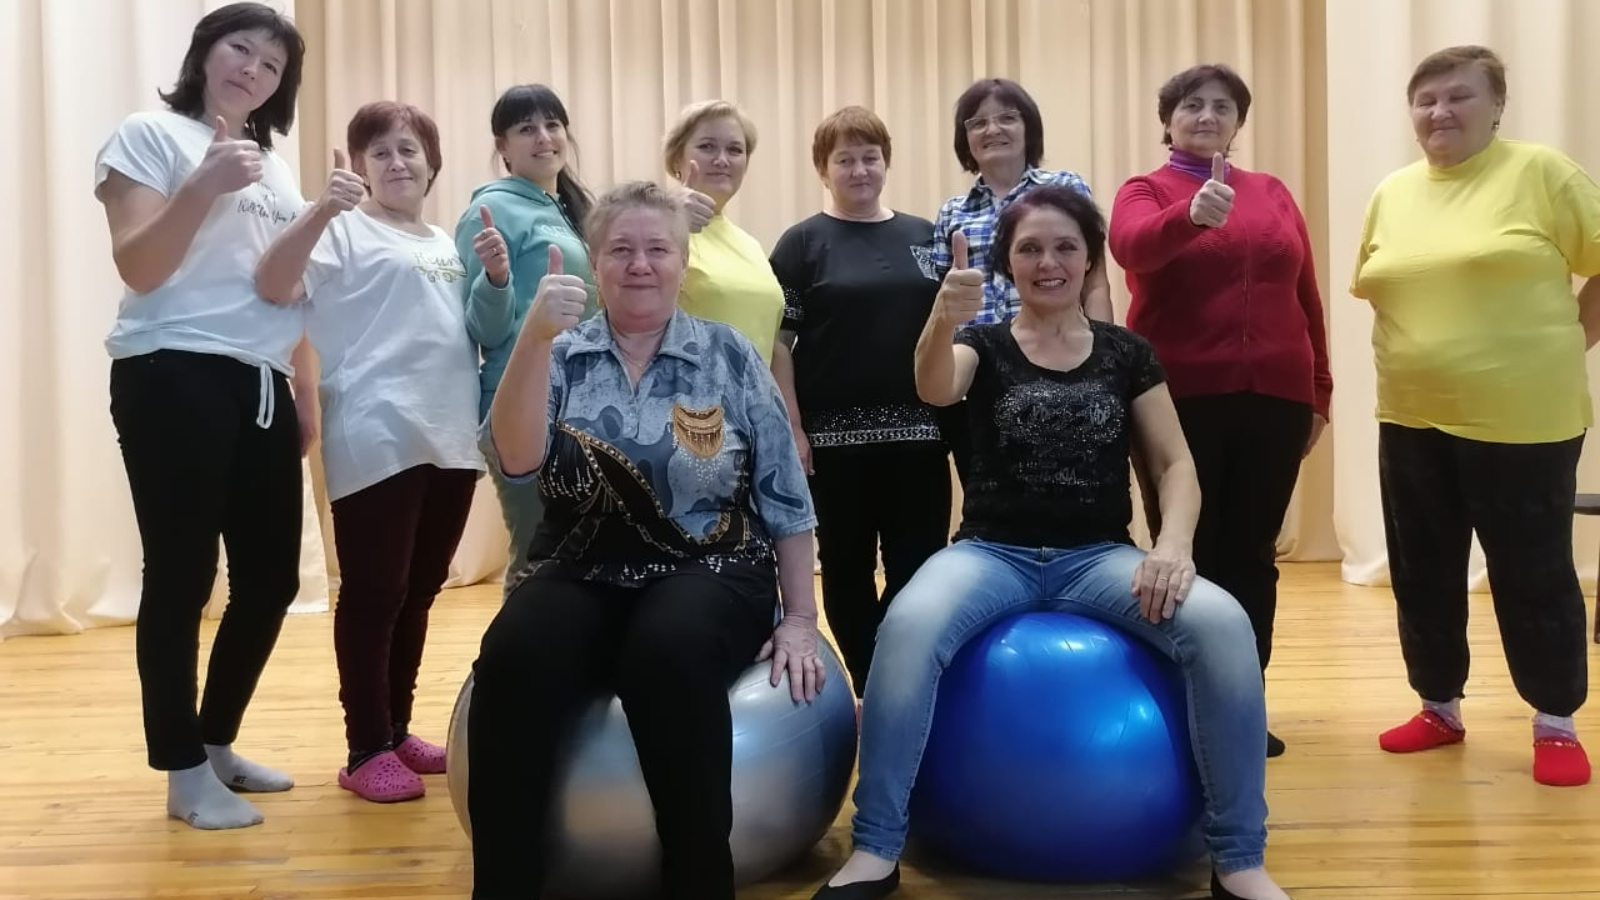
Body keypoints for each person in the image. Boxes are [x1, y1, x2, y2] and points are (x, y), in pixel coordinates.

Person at [812, 186, 1294, 900]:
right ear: (1008, 263)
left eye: (1066, 247)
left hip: (1100, 558)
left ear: (1090, 259)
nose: (1049, 262)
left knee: (1223, 623)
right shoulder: (982, 345)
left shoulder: (1127, 353)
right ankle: (876, 848)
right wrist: (941, 318)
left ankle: (1240, 858)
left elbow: (1175, 464)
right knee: (906, 625)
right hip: (991, 554)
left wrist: (1174, 546)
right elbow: (935, 388)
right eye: (1030, 249)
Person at [466, 181, 826, 900]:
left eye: (657, 249)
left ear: (682, 263)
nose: (639, 264)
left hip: (710, 563)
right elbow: (517, 458)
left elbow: (786, 495)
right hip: (581, 563)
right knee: (512, 657)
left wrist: (800, 619)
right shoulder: (562, 352)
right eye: (621, 250)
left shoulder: (728, 355)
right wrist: (532, 339)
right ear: (594, 262)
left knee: (668, 653)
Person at [1351, 45, 1599, 787]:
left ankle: (1555, 721)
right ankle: (1439, 706)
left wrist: (1568, 341)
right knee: (1422, 569)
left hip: (1524, 420)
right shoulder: (1394, 192)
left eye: (1458, 96)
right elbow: (1380, 287)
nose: (1440, 111)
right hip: (1411, 415)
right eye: (1425, 99)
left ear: (1496, 107)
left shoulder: (1542, 174)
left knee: (1533, 572)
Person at [92, 1, 308, 830]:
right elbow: (140, 265)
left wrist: (303, 392)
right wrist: (203, 185)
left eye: (271, 64)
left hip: (263, 381)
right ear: (204, 54)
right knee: (183, 574)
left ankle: (214, 743)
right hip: (171, 369)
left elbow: (290, 287)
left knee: (272, 580)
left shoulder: (276, 168)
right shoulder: (148, 134)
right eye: (239, 48)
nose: (252, 68)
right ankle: (181, 770)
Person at [255, 102, 488, 802]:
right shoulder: (341, 229)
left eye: (409, 149)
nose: (396, 162)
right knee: (374, 594)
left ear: (432, 163)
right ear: (358, 166)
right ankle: (364, 749)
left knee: (419, 591)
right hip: (377, 429)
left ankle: (396, 730)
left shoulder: (443, 240)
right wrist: (321, 209)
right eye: (379, 152)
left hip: (451, 434)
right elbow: (273, 284)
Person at [1109, 63, 1333, 759]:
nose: (1207, 115)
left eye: (1222, 106)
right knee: (1186, 553)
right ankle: (1182, 701)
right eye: (1192, 105)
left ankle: (1241, 702)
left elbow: (1306, 294)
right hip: (1178, 402)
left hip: (1277, 398)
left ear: (1238, 122)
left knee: (1252, 555)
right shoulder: (1145, 190)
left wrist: (1320, 388)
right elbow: (1130, 247)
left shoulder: (1272, 192)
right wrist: (1188, 217)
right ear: (1168, 120)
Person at [768, 106, 949, 700]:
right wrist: (794, 427)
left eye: (870, 157)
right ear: (823, 170)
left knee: (919, 568)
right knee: (846, 570)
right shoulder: (801, 243)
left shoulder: (926, 236)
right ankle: (871, 687)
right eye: (844, 159)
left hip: (920, 439)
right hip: (832, 447)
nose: (859, 169)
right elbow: (780, 343)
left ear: (886, 162)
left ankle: (902, 677)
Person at [929, 77, 1113, 484]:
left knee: (1073, 483)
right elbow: (942, 303)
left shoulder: (1066, 188)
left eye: (1007, 118)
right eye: (978, 123)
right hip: (977, 377)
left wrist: (1104, 359)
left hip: (1061, 366)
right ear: (965, 139)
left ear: (1029, 128)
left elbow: (1096, 282)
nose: (992, 129)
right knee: (988, 489)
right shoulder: (952, 212)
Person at [453, 84, 598, 571]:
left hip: (585, 402)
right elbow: (486, 332)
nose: (543, 137)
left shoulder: (572, 211)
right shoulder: (491, 211)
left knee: (580, 555)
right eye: (526, 128)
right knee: (540, 556)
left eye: (552, 125)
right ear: (503, 146)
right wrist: (496, 279)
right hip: (522, 401)